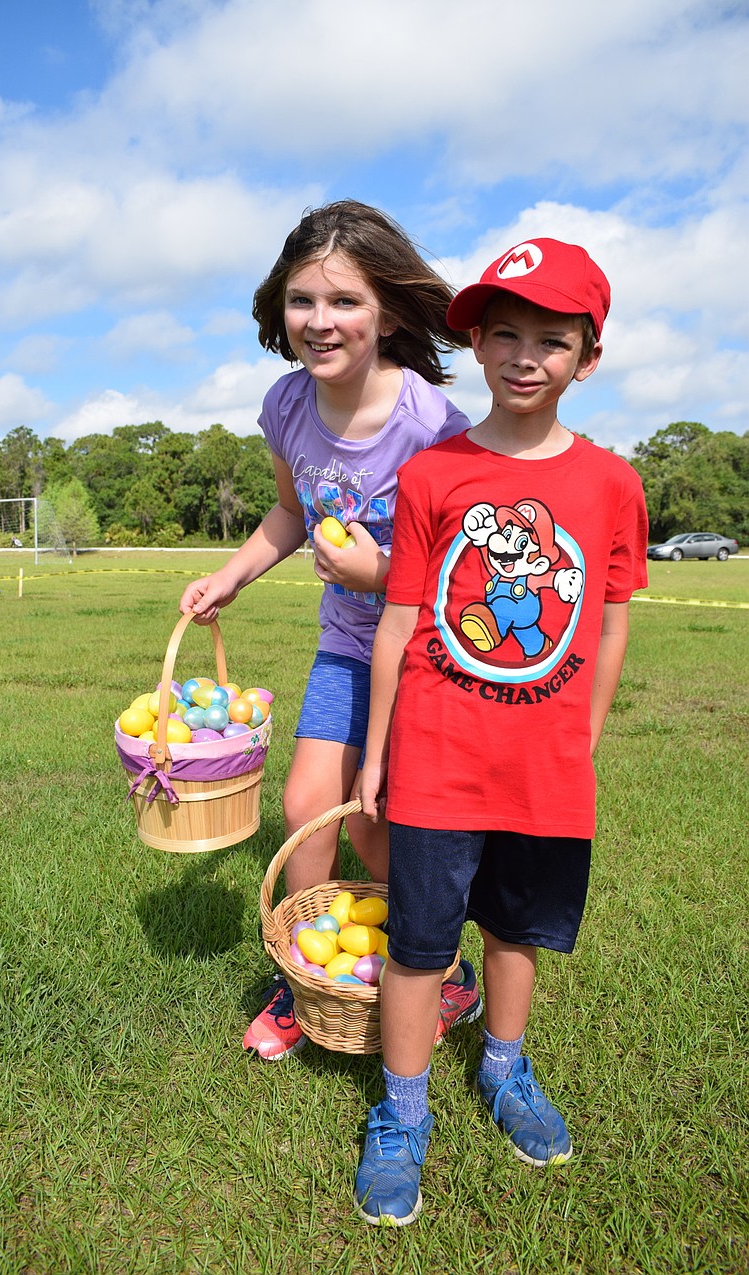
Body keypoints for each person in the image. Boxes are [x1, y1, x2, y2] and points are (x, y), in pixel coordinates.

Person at [353, 238, 649, 1225]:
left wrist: (587, 734)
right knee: (420, 943)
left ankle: (505, 1070)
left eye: (551, 341)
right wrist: (376, 754)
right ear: (475, 344)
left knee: (517, 930)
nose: (526, 357)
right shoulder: (434, 474)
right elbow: (400, 617)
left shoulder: (610, 483)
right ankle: (401, 1115)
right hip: (435, 759)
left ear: (586, 357)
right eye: (505, 335)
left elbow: (608, 616)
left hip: (544, 768)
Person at [180, 200, 483, 1060]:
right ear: (280, 306)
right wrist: (230, 577)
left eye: (345, 301)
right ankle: (301, 976)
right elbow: (288, 509)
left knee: (381, 823)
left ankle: (431, 971)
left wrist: (379, 573)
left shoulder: (430, 424)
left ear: (386, 310)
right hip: (349, 649)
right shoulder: (286, 406)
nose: (321, 321)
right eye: (303, 300)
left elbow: (464, 577)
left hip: (426, 654)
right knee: (310, 806)